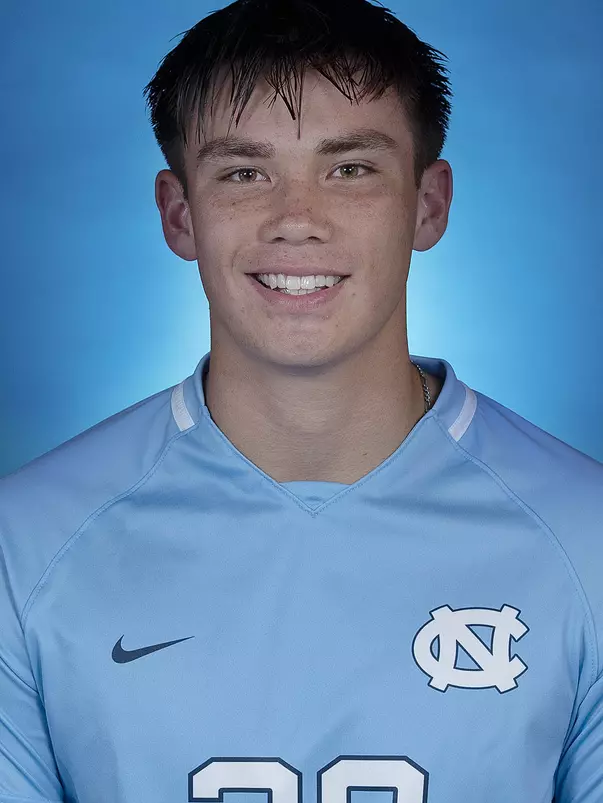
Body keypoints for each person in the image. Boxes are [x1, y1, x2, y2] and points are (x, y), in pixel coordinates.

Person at [0, 0, 601, 800]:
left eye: (349, 168)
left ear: (428, 204)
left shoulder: (586, 540)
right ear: (179, 215)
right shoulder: (25, 546)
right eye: (244, 173)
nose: (297, 220)